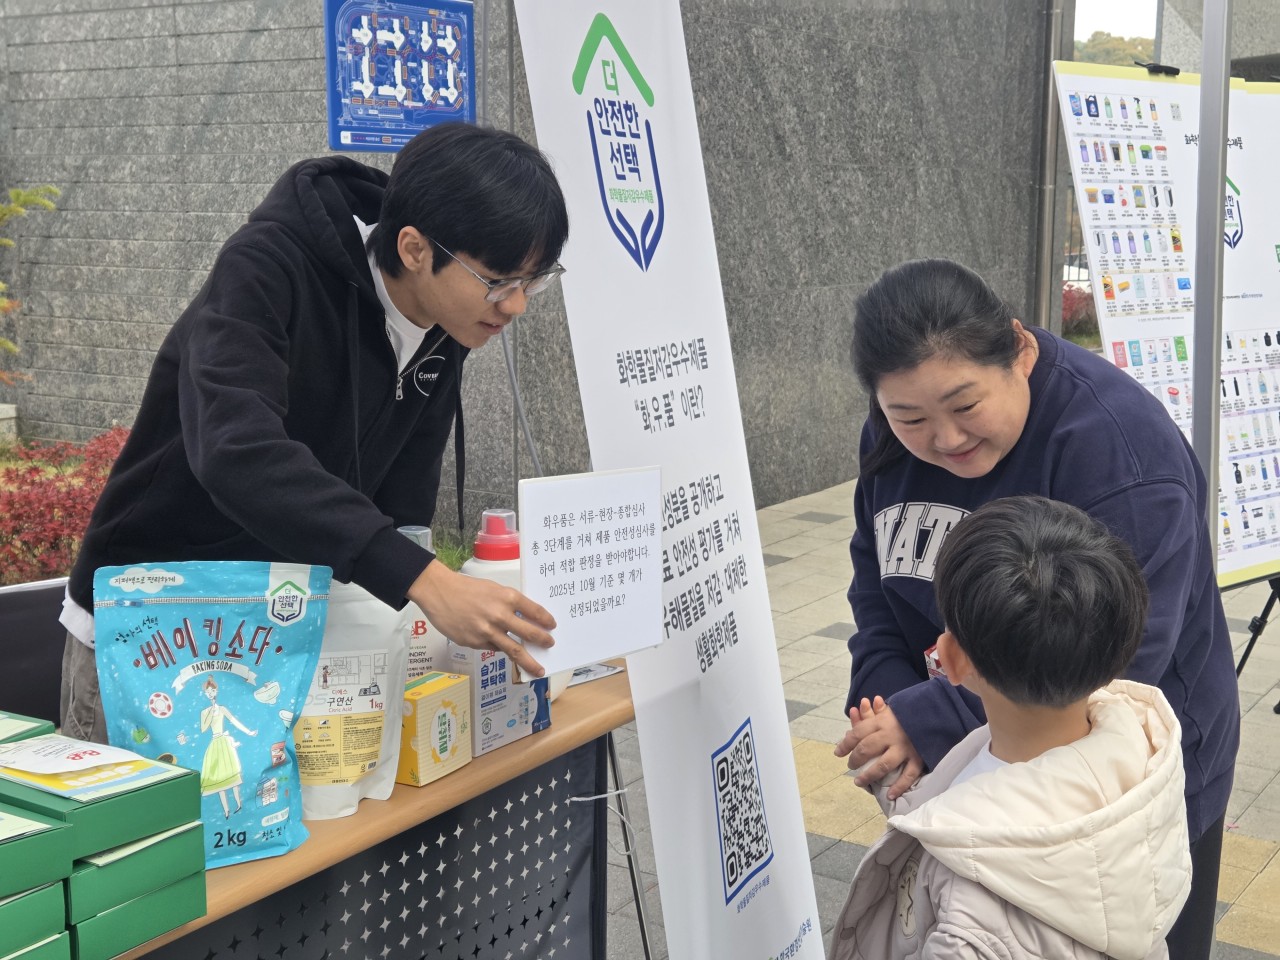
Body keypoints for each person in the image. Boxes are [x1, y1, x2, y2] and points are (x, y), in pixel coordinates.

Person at [60, 123, 570, 743]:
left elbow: (403, 503)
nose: (515, 305)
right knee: (156, 810)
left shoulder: (450, 322)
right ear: (414, 249)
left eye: (534, 281)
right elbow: (235, 449)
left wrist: (434, 612)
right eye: (498, 282)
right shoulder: (268, 266)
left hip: (287, 635)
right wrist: (427, 581)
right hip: (153, 625)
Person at [833, 259, 1238, 960]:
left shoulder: (1119, 452)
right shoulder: (893, 432)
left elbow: (1117, 652)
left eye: (965, 406)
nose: (944, 439)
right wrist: (887, 706)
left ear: (1020, 351)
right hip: (971, 750)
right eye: (909, 418)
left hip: (1111, 776)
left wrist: (928, 719)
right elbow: (875, 580)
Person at [830, 496, 1191, 960]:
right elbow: (968, 789)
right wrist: (894, 781)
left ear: (950, 660)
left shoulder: (968, 922)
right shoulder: (1142, 755)